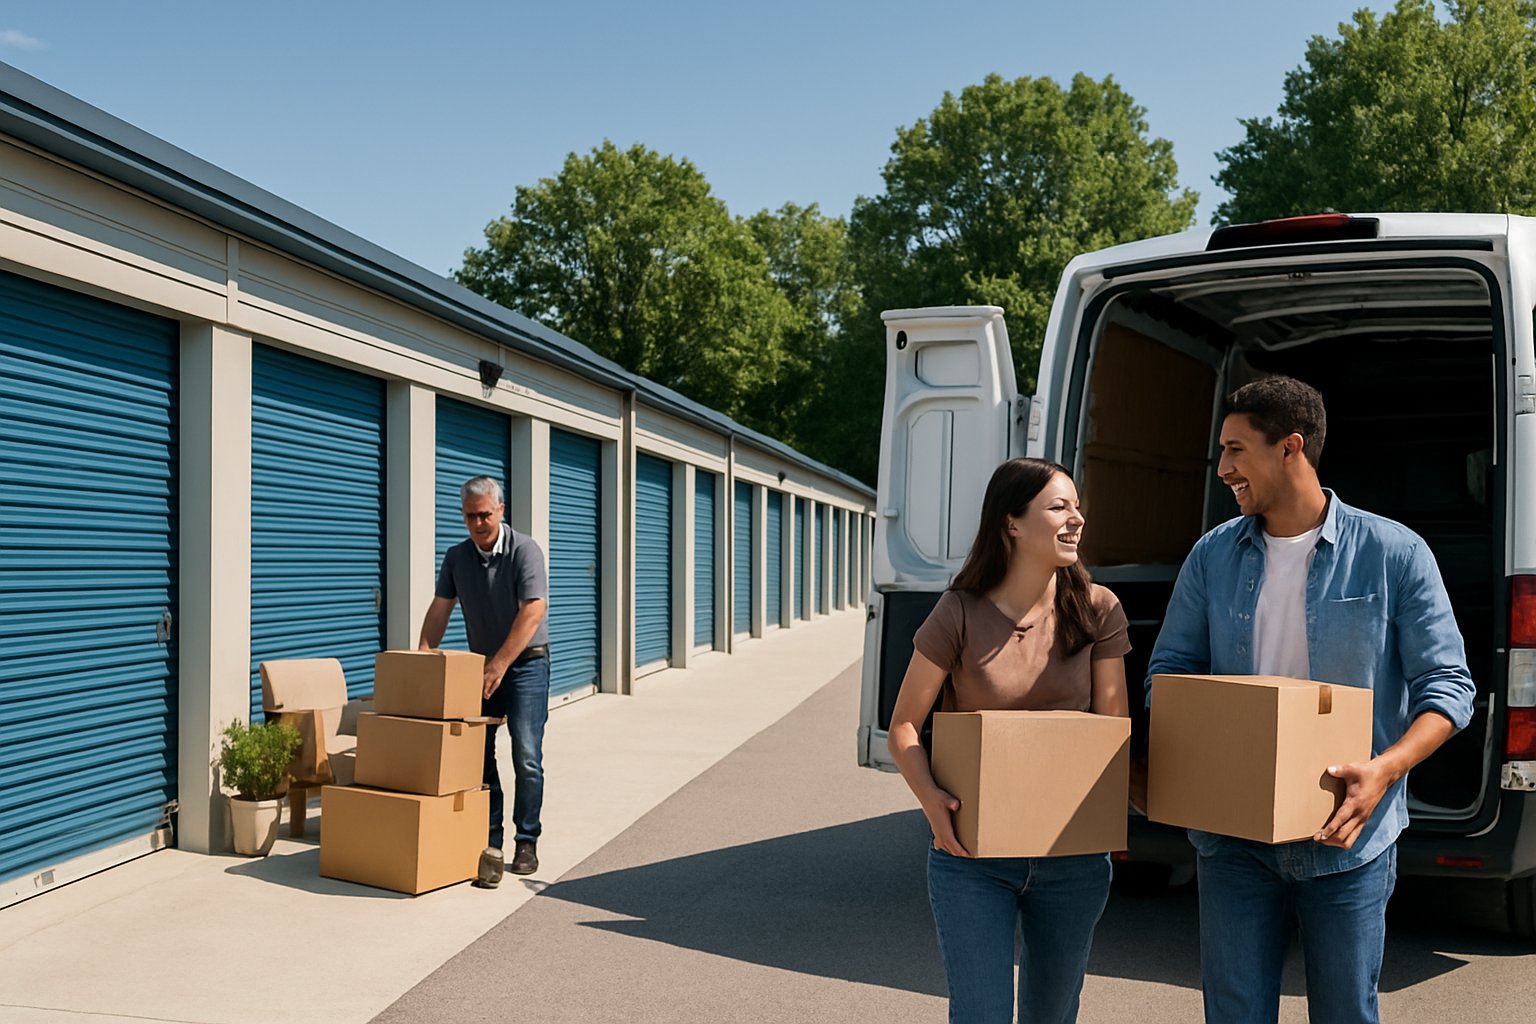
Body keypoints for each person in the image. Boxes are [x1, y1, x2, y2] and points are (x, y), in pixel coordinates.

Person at [1145, 375, 1475, 1024]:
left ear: (1291, 447)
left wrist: (1385, 770)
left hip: (1349, 835)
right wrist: (1195, 750)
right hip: (1232, 839)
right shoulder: (1212, 557)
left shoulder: (1394, 553)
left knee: (1346, 1013)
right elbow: (1170, 670)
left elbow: (1450, 689)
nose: (1222, 468)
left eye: (1237, 450)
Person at [887, 458, 1131, 1024]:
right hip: (973, 855)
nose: (1076, 519)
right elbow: (903, 727)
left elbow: (1112, 731)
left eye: (1076, 506)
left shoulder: (1098, 609)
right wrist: (931, 801)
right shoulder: (960, 611)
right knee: (982, 1014)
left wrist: (1116, 815)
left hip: (1073, 856)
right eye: (1058, 507)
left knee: (1053, 1014)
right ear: (1012, 523)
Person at [418, 475, 550, 882]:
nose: (478, 523)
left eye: (485, 515)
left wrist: (499, 665)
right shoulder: (457, 557)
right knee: (477, 753)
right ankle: (490, 837)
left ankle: (525, 840)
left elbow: (533, 610)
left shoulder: (525, 550)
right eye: (471, 516)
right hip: (481, 667)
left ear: (501, 510)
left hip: (526, 665)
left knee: (526, 756)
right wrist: (421, 657)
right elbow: (441, 607)